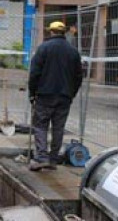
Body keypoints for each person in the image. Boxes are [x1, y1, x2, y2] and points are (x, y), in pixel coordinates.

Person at [28, 21, 83, 171]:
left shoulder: (44, 48)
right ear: (64, 32)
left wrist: (32, 93)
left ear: (51, 32)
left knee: (40, 125)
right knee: (58, 127)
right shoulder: (73, 51)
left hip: (45, 94)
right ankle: (52, 160)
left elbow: (34, 73)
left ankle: (41, 157)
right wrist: (71, 93)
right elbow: (79, 76)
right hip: (65, 96)